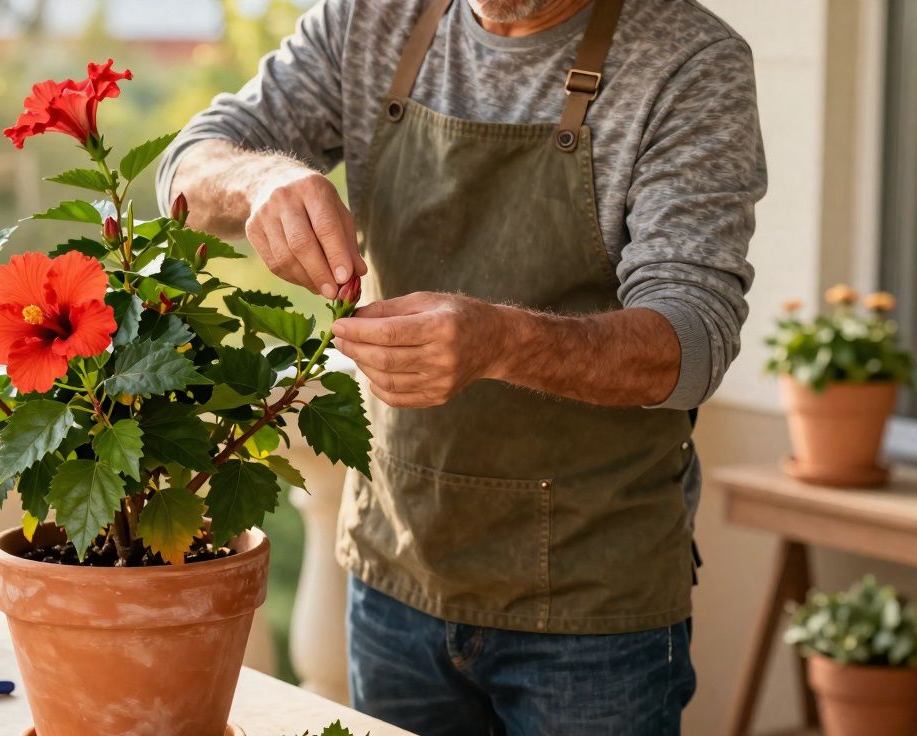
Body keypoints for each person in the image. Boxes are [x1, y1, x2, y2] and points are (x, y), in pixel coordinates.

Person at [157, 0, 766, 732]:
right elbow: (188, 168)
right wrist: (259, 182)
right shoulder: (369, 20)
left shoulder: (689, 60)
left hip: (593, 608)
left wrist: (502, 341)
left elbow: (693, 338)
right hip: (394, 581)